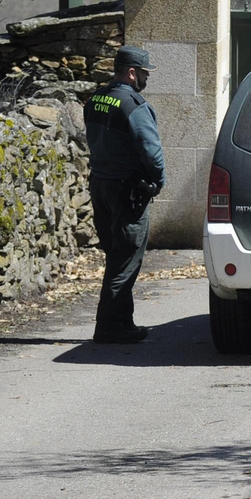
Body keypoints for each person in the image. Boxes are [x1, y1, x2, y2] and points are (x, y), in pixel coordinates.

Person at [83, 46, 165, 343]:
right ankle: (108, 327)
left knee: (116, 255)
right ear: (131, 72)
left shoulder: (96, 99)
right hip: (127, 189)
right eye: (144, 73)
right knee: (126, 256)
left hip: (101, 186)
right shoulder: (134, 105)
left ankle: (123, 322)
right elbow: (151, 152)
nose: (146, 78)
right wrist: (158, 180)